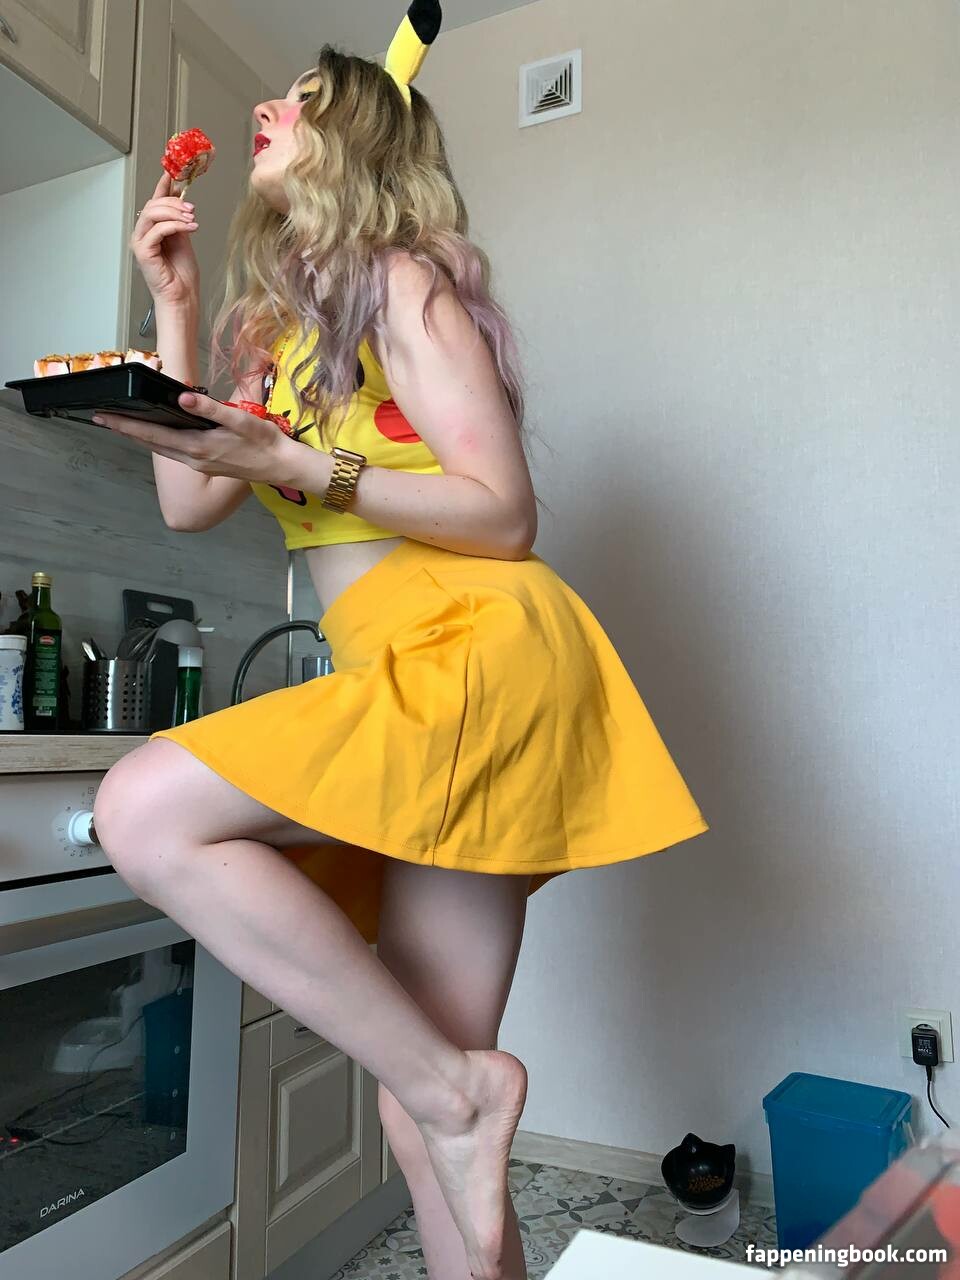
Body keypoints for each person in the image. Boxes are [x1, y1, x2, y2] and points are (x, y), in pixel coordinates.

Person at [92, 4, 709, 1277]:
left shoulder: (400, 280)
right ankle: (457, 1097)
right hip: (417, 666)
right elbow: (188, 501)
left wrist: (304, 468)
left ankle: (458, 1091)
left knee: (142, 810)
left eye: (300, 98)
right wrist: (177, 303)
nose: (267, 107)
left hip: (477, 646)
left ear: (354, 140)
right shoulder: (275, 336)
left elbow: (506, 515)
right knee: (421, 1116)